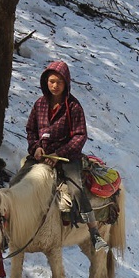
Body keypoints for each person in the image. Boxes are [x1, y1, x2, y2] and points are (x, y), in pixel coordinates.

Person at [22, 59, 109, 252]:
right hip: (41, 155)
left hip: (67, 157)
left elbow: (80, 136)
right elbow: (30, 130)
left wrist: (58, 154)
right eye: (51, 81)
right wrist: (35, 147)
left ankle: (94, 232)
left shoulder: (74, 107)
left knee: (77, 189)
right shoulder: (39, 105)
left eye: (59, 82)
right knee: (18, 183)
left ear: (66, 83)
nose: (54, 86)